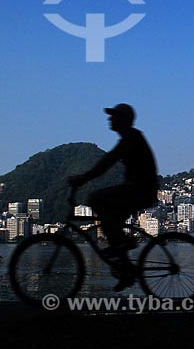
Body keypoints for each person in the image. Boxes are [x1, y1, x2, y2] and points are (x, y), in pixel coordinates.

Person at [68, 103, 159, 291]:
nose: (110, 119)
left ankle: (125, 246)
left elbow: (106, 162)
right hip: (137, 190)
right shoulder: (128, 138)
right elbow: (108, 160)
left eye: (114, 116)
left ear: (124, 120)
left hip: (141, 190)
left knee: (96, 198)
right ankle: (126, 269)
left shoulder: (132, 138)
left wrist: (83, 178)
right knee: (113, 225)